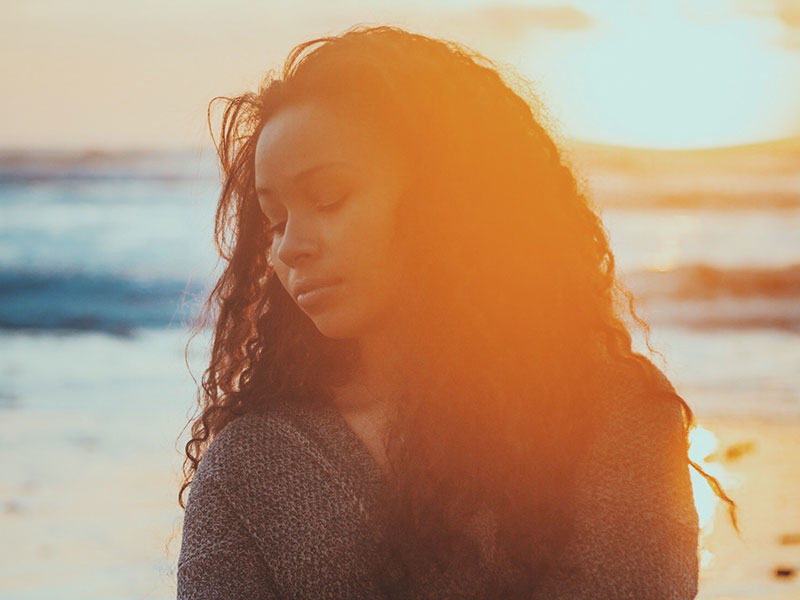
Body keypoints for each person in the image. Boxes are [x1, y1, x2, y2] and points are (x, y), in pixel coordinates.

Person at [176, 24, 735, 599]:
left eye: (328, 199)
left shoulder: (610, 414)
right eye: (275, 220)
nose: (291, 247)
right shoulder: (253, 463)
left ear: (449, 198)